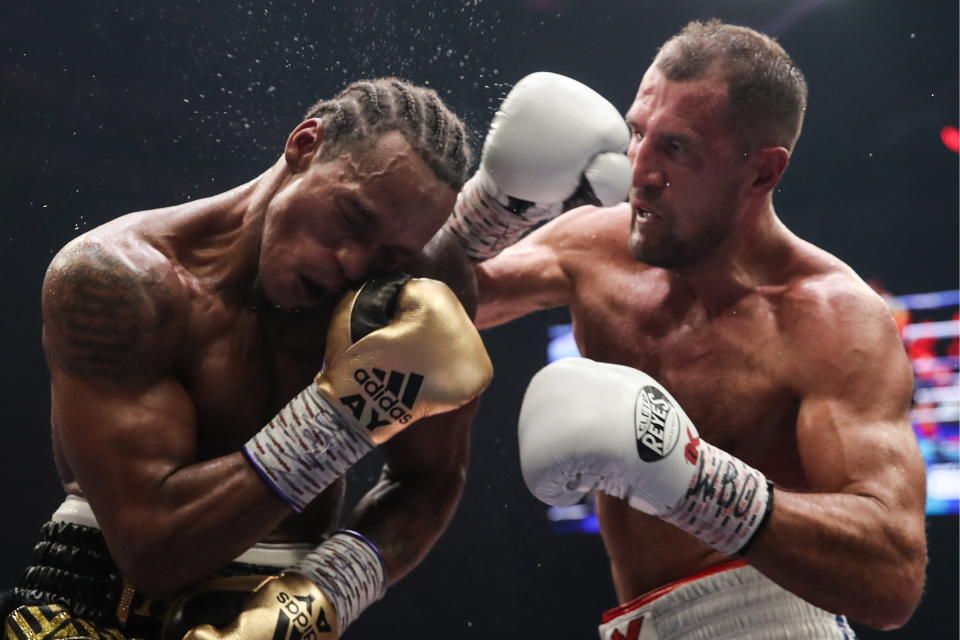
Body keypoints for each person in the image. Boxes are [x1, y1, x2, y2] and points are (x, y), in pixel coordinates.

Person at [444, 20, 927, 639]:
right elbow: (423, 306)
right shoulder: (596, 243)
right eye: (636, 133)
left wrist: (696, 484)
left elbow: (891, 576)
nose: (636, 171)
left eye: (675, 148)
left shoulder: (830, 318)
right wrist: (487, 207)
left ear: (761, 173)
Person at [2, 77, 494, 640]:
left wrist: (323, 595)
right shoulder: (119, 280)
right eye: (353, 216)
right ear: (305, 145)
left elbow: (430, 478)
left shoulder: (423, 281)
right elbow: (154, 550)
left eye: (390, 254)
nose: (353, 262)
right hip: (93, 608)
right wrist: (346, 414)